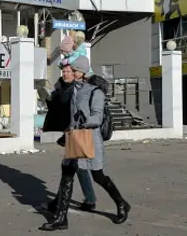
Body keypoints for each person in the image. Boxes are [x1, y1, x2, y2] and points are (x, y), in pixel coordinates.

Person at [40, 56, 131, 232]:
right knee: (67, 173)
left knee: (98, 176)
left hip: (90, 139)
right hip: (75, 137)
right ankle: (60, 218)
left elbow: (97, 117)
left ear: (82, 72)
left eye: (74, 70)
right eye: (70, 70)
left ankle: (121, 203)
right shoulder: (74, 89)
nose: (70, 73)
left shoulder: (95, 92)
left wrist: (84, 120)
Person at [43, 64, 97, 213]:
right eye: (64, 72)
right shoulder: (61, 87)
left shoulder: (76, 89)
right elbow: (57, 107)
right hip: (69, 131)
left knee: (73, 167)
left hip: (76, 131)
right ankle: (88, 199)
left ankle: (63, 203)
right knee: (74, 167)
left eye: (68, 72)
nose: (65, 74)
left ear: (74, 73)